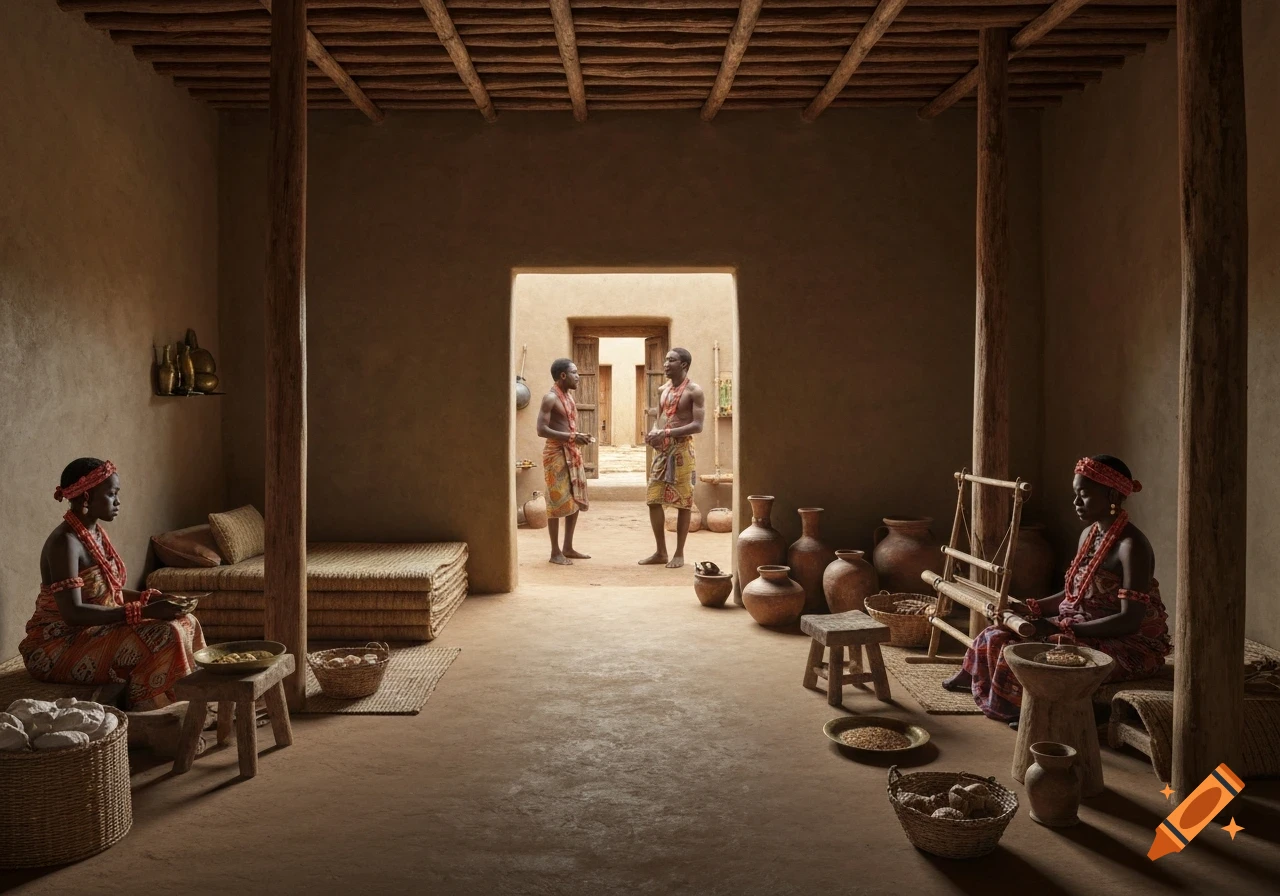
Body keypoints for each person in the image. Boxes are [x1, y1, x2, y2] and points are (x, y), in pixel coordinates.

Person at [943, 455, 1171, 726]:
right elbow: (1073, 593)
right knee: (996, 632)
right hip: (1080, 624)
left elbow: (1130, 620)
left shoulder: (1132, 546)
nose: (1076, 502)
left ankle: (1024, 709)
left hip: (1126, 643)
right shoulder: (1088, 535)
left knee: (1030, 651)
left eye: (1083, 495)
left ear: (1111, 495)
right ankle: (971, 675)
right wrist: (1031, 608)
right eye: (1075, 494)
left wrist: (1063, 629)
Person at [20, 458, 206, 711]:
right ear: (87, 497)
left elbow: (109, 593)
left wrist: (154, 599)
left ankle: (193, 701)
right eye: (111, 494)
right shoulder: (65, 543)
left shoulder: (94, 533)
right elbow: (73, 614)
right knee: (165, 633)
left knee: (186, 620)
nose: (118, 501)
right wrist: (143, 611)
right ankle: (153, 710)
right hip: (58, 645)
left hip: (94, 631)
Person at [639, 348, 706, 569]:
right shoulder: (663, 389)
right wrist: (653, 433)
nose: (666, 364)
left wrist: (666, 433)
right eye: (666, 360)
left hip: (682, 451)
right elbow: (660, 419)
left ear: (684, 364)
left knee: (684, 503)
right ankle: (661, 551)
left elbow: (697, 425)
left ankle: (679, 553)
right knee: (653, 499)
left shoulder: (694, 391)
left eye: (671, 360)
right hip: (662, 451)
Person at [537, 359, 593, 565]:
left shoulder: (568, 397)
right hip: (555, 454)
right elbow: (541, 430)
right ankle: (555, 552)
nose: (578, 376)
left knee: (575, 498)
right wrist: (571, 437)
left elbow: (566, 427)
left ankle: (568, 547)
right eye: (574, 373)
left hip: (571, 452)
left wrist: (577, 437)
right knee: (555, 501)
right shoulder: (550, 398)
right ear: (563, 375)